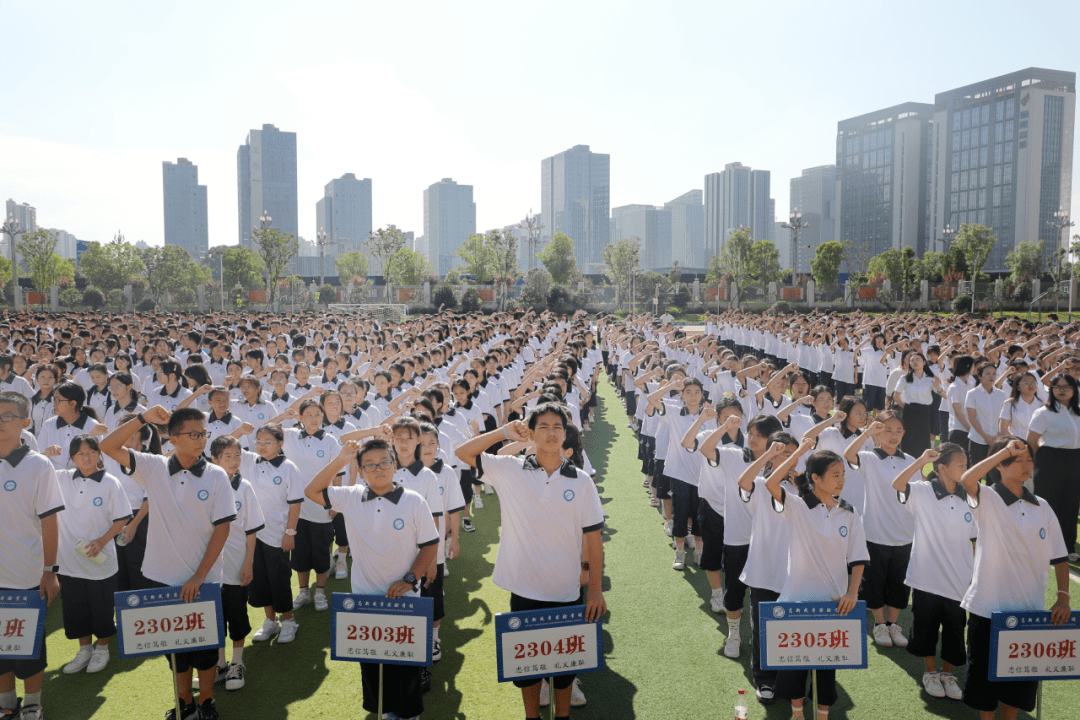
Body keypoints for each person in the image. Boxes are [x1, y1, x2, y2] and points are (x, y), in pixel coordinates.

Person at [455, 404, 605, 720]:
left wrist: (594, 590)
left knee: (565, 670)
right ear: (532, 434)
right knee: (527, 670)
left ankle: (562, 716)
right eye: (543, 427)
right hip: (524, 589)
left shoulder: (580, 481)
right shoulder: (510, 469)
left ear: (565, 434)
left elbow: (593, 539)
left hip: (566, 590)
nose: (550, 433)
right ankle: (531, 717)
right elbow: (463, 452)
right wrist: (503, 431)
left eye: (557, 427)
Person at [100, 406, 236, 720]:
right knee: (176, 650)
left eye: (204, 433)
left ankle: (206, 704)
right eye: (193, 434)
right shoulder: (153, 466)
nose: (201, 439)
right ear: (172, 438)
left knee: (205, 650)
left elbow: (223, 527)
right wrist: (143, 418)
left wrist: (200, 576)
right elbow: (107, 446)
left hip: (205, 580)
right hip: (162, 578)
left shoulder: (216, 475)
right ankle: (185, 703)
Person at [305, 438, 439, 720]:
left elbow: (430, 544)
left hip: (406, 600)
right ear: (362, 471)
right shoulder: (351, 496)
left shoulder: (413, 500)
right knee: (374, 665)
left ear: (394, 466)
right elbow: (312, 490)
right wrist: (342, 459)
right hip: (365, 600)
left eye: (384, 463)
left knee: (407, 665)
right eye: (370, 465)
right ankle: (387, 711)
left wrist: (410, 578)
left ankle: (408, 714)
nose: (379, 469)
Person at [958, 437, 1071, 719]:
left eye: (1029, 460)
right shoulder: (987, 498)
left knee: (1017, 688)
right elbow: (967, 478)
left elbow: (1059, 556)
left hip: (1029, 613)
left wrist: (1063, 597)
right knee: (986, 691)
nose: (1025, 466)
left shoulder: (1042, 507)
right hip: (988, 610)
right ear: (1000, 465)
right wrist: (1005, 450)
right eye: (1016, 460)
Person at [755, 440, 869, 720]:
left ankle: (822, 714)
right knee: (796, 664)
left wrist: (852, 593)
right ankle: (797, 713)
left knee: (826, 668)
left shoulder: (850, 513)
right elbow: (771, 483)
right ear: (815, 478)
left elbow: (858, 559)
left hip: (834, 604)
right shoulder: (796, 506)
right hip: (797, 601)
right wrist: (796, 453)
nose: (841, 480)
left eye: (843, 474)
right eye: (835, 475)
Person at [890, 443, 973, 700]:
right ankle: (930, 672)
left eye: (966, 464)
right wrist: (920, 461)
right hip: (926, 579)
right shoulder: (922, 491)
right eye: (960, 464)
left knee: (955, 631)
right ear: (941, 468)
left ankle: (947, 674)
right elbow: (897, 484)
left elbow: (977, 539)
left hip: (959, 581)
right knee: (925, 629)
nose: (965, 469)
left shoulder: (971, 497)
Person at [0, 391, 65, 720]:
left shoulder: (38, 465)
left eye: (6, 416)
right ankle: (6, 703)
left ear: (25, 422)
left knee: (28, 648)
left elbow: (50, 521)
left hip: (27, 575)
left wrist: (50, 571)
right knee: (0, 649)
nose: (0, 423)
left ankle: (33, 703)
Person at [56, 435, 131, 675]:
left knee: (101, 608)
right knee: (76, 609)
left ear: (99, 454)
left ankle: (102, 649)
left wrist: (101, 541)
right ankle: (84, 650)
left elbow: (122, 517)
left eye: (91, 452)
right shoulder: (63, 479)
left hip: (100, 561)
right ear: (72, 457)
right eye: (80, 454)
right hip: (69, 562)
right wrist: (47, 453)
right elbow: (37, 471)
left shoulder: (110, 482)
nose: (86, 457)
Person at [843, 411, 913, 648]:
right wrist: (867, 433)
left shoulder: (912, 461)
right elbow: (848, 454)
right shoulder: (869, 458)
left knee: (899, 584)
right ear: (878, 431)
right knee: (874, 583)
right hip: (875, 533)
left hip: (905, 533)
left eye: (898, 430)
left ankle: (893, 624)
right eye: (887, 430)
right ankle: (879, 624)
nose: (893, 435)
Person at [205, 435, 264, 691]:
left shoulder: (245, 487)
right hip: (209, 569)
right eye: (227, 456)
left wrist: (249, 563)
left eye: (237, 455)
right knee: (214, 618)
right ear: (214, 459)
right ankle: (220, 664)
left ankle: (237, 664)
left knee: (237, 616)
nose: (233, 461)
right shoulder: (204, 485)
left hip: (237, 565)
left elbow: (251, 530)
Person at [1026, 374, 1080, 562]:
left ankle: (1067, 548)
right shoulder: (1044, 412)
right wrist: (1033, 466)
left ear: (1074, 389)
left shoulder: (1077, 412)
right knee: (1047, 504)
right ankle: (1040, 546)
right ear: (1052, 390)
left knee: (1071, 505)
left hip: (1075, 460)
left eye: (1067, 387)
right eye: (1057, 387)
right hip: (1050, 459)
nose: (1062, 390)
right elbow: (1031, 441)